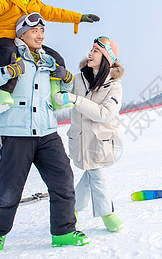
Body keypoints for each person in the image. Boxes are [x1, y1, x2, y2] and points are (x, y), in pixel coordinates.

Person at [0, 13, 89, 254]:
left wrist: (65, 80)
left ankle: (64, 231)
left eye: (42, 31)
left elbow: (60, 92)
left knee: (64, 181)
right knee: (9, 188)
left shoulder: (49, 60)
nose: (40, 35)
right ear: (21, 33)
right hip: (16, 133)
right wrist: (8, 72)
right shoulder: (6, 56)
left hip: (47, 132)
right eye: (34, 31)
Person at [55, 36, 125, 232]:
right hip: (79, 138)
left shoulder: (114, 85)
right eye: (91, 48)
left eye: (96, 50)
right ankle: (75, 211)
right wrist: (61, 92)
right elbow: (62, 93)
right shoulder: (78, 79)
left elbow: (104, 113)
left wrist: (76, 100)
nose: (90, 53)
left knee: (96, 174)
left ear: (106, 57)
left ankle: (106, 213)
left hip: (101, 142)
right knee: (92, 173)